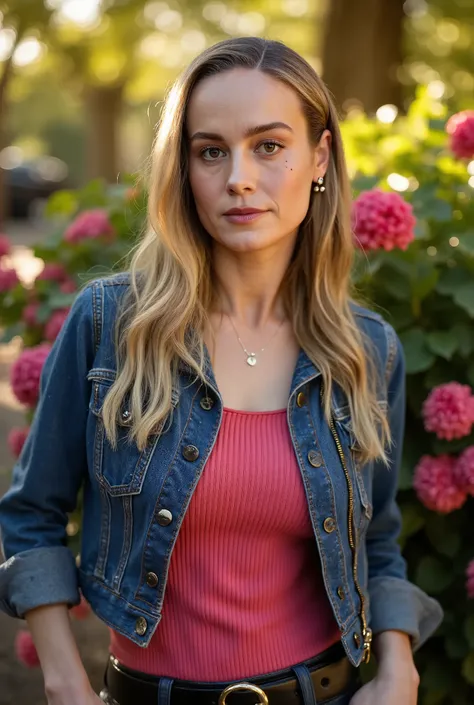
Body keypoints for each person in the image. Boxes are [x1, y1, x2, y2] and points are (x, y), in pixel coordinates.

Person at [0, 37, 442, 705]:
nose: (238, 176)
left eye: (269, 146)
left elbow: (376, 537)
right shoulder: (112, 325)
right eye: (211, 150)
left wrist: (398, 668)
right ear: (185, 168)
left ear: (318, 157)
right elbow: (32, 514)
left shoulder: (365, 348)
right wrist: (64, 679)